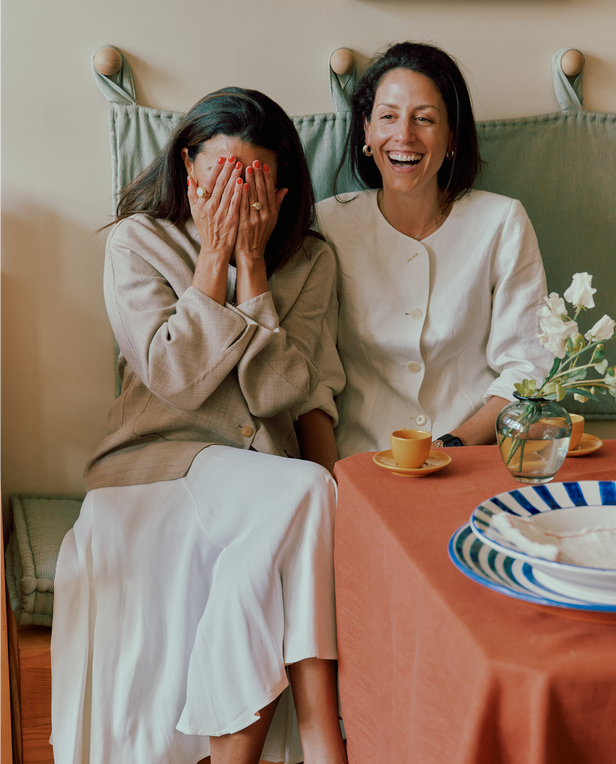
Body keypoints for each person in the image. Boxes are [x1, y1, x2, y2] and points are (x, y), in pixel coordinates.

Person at [50, 87, 347, 764]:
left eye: (255, 182)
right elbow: (175, 379)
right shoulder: (138, 242)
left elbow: (283, 396)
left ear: (284, 186)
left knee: (293, 510)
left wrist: (255, 273)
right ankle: (320, 734)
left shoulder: (312, 261)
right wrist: (215, 263)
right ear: (188, 170)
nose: (236, 197)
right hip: (155, 467)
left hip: (257, 481)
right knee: (304, 491)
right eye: (221, 178)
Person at [315, 41, 551, 458]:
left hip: (471, 456)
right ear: (367, 131)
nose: (403, 135)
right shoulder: (328, 224)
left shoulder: (503, 223)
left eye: (423, 119)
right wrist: (334, 481)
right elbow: (311, 378)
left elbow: (527, 370)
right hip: (362, 462)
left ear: (452, 136)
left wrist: (452, 446)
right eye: (387, 117)